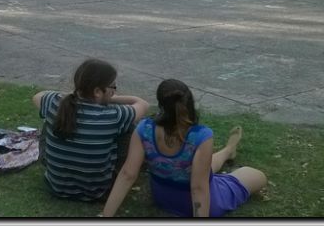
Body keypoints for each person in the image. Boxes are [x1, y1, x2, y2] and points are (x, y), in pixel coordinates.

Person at [102, 79, 267, 217]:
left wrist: (105, 216)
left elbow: (127, 174)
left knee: (203, 167)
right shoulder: (201, 135)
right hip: (202, 202)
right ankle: (228, 150)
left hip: (163, 196)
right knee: (257, 175)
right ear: (189, 103)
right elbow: (198, 188)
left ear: (160, 105)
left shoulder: (144, 128)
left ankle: (228, 150)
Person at [32, 59, 149, 201]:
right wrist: (113, 99)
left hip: (56, 187)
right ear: (97, 91)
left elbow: (37, 97)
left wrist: (76, 94)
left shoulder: (55, 102)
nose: (114, 92)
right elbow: (142, 104)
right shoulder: (114, 116)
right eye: (113, 87)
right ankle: (134, 166)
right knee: (131, 127)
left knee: (50, 118)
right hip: (97, 192)